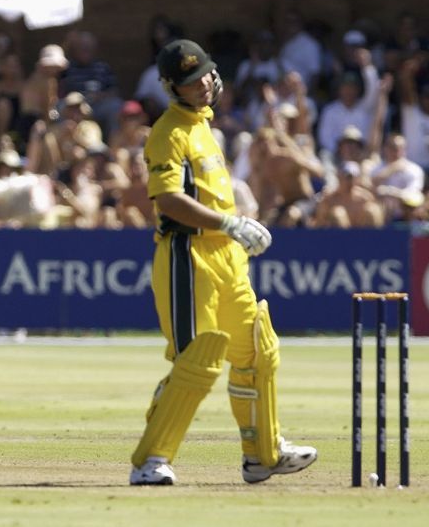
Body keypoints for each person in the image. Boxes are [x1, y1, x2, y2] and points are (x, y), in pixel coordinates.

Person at [129, 39, 317, 486]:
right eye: (192, 82)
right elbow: (169, 200)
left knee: (256, 347)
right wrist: (230, 224)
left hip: (227, 258)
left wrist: (231, 232)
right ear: (173, 88)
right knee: (199, 359)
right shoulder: (168, 132)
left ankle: (262, 454)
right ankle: (151, 460)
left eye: (207, 75)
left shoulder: (204, 128)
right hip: (187, 255)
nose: (204, 85)